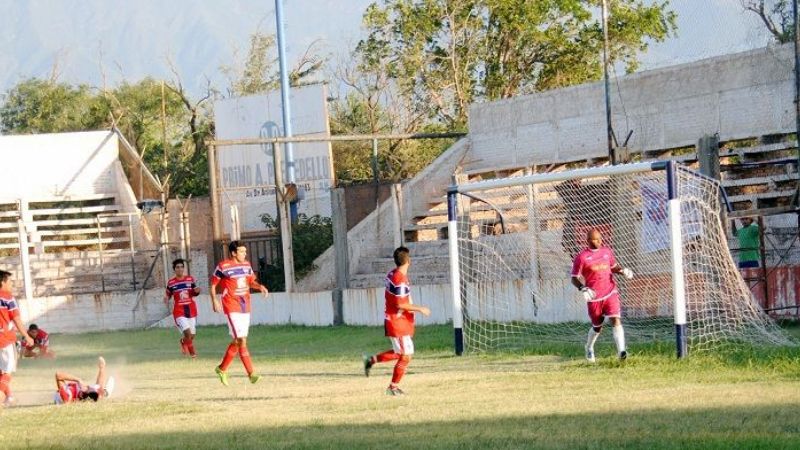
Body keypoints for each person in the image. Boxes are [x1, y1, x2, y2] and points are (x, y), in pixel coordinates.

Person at [363, 246, 431, 395]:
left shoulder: (392, 274)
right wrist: (420, 309)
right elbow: (400, 304)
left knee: (399, 352)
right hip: (397, 321)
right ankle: (392, 388)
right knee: (406, 356)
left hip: (396, 320)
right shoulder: (399, 279)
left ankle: (371, 360)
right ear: (409, 261)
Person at [570, 229, 634, 362]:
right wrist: (583, 288)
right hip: (594, 298)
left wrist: (623, 271)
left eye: (600, 238)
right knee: (597, 327)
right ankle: (589, 348)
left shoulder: (607, 252)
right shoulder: (582, 257)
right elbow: (574, 278)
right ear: (588, 241)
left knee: (615, 319)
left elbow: (613, 267)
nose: (599, 241)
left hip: (610, 292)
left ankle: (622, 352)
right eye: (595, 239)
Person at [210, 240, 269, 386]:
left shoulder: (246, 265)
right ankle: (251, 374)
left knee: (241, 341)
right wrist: (214, 301)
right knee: (240, 339)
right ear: (233, 253)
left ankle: (222, 369)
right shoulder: (223, 266)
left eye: (245, 251)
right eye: (242, 251)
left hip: (245, 305)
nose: (245, 254)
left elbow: (251, 282)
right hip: (231, 305)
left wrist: (260, 286)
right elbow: (212, 285)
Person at [0, 270, 33, 407]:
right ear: (2, 282)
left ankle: (10, 397)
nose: (11, 285)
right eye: (10, 282)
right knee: (7, 372)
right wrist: (26, 336)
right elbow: (17, 319)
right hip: (5, 339)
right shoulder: (8, 298)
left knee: (1, 371)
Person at [164, 258, 201, 358]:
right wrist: (166, 298)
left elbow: (194, 292)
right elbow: (168, 294)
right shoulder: (171, 282)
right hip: (179, 311)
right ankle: (193, 355)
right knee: (188, 334)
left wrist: (197, 291)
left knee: (192, 336)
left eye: (181, 267)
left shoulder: (190, 279)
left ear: (183, 268)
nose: (180, 269)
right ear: (174, 269)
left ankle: (182, 341)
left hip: (191, 309)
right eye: (177, 267)